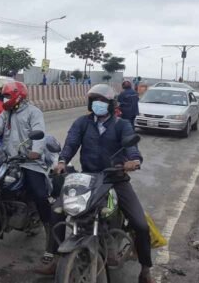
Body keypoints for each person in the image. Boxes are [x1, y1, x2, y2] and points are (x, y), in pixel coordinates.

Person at [42, 84, 154, 283]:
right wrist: (62, 162)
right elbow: (71, 143)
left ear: (111, 105)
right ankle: (54, 257)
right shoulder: (82, 123)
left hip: (115, 178)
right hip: (87, 178)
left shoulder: (122, 125)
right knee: (57, 210)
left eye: (103, 101)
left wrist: (134, 161)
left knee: (140, 224)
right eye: (95, 101)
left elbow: (131, 146)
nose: (98, 105)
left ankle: (145, 269)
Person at [0, 81, 52, 236]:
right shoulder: (6, 113)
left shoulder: (33, 112)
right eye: (3, 96)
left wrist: (36, 151)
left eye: (6, 96)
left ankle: (50, 234)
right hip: (9, 160)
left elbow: (38, 131)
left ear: (18, 96)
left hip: (30, 161)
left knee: (39, 194)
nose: (4, 99)